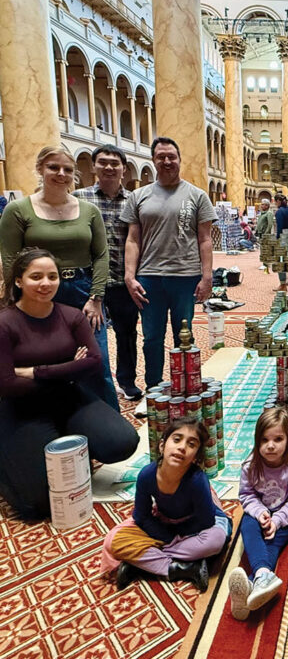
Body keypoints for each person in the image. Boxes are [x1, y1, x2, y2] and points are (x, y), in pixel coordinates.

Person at [0, 248, 139, 521]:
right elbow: (6, 385)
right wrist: (67, 370)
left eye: (52, 276)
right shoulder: (5, 323)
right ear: (18, 280)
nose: (45, 283)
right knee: (38, 505)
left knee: (122, 442)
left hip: (69, 398)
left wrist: (33, 372)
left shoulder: (71, 315)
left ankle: (63, 439)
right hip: (22, 408)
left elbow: (93, 363)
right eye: (36, 276)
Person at [0, 145, 118, 410]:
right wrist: (16, 300)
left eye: (67, 169)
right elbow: (10, 260)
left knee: (95, 364)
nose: (61, 173)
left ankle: (107, 430)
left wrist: (96, 297)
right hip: (35, 292)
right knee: (42, 359)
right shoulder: (18, 210)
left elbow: (101, 255)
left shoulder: (89, 211)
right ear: (40, 169)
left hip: (82, 290)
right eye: (53, 167)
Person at [121, 137, 217, 390]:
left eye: (171, 156)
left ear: (179, 159)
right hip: (149, 277)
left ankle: (186, 385)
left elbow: (205, 239)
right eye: (161, 156)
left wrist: (207, 277)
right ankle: (153, 386)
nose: (166, 161)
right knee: (152, 337)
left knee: (184, 334)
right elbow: (132, 239)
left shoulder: (197, 195)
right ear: (153, 160)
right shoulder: (138, 196)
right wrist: (129, 276)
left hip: (185, 277)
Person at [102, 416, 230, 591]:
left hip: (197, 526)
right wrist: (167, 537)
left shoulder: (197, 480)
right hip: (165, 522)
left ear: (195, 458)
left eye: (191, 444)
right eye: (177, 440)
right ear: (162, 446)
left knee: (215, 541)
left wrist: (172, 538)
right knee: (113, 540)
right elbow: (141, 516)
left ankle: (140, 564)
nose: (182, 447)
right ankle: (182, 568)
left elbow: (205, 521)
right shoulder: (147, 475)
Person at [73, 146, 142, 402]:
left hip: (124, 280)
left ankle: (126, 381)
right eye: (103, 162)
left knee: (127, 334)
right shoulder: (79, 197)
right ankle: (94, 389)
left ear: (124, 168)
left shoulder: (133, 200)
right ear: (94, 167)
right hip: (88, 282)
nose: (109, 167)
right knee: (89, 337)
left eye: (115, 163)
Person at [228, 408, 288, 620]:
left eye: (278, 439)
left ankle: (252, 582)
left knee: (271, 543)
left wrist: (278, 519)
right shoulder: (250, 465)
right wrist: (261, 512)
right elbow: (246, 495)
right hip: (260, 510)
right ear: (257, 441)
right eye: (264, 440)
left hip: (286, 516)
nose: (271, 445)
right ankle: (263, 576)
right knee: (248, 525)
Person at [273, 194, 288, 292]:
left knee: (280, 261)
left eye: (275, 201)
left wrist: (278, 239)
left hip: (283, 240)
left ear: (278, 201)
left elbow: (280, 228)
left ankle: (283, 284)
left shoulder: (279, 212)